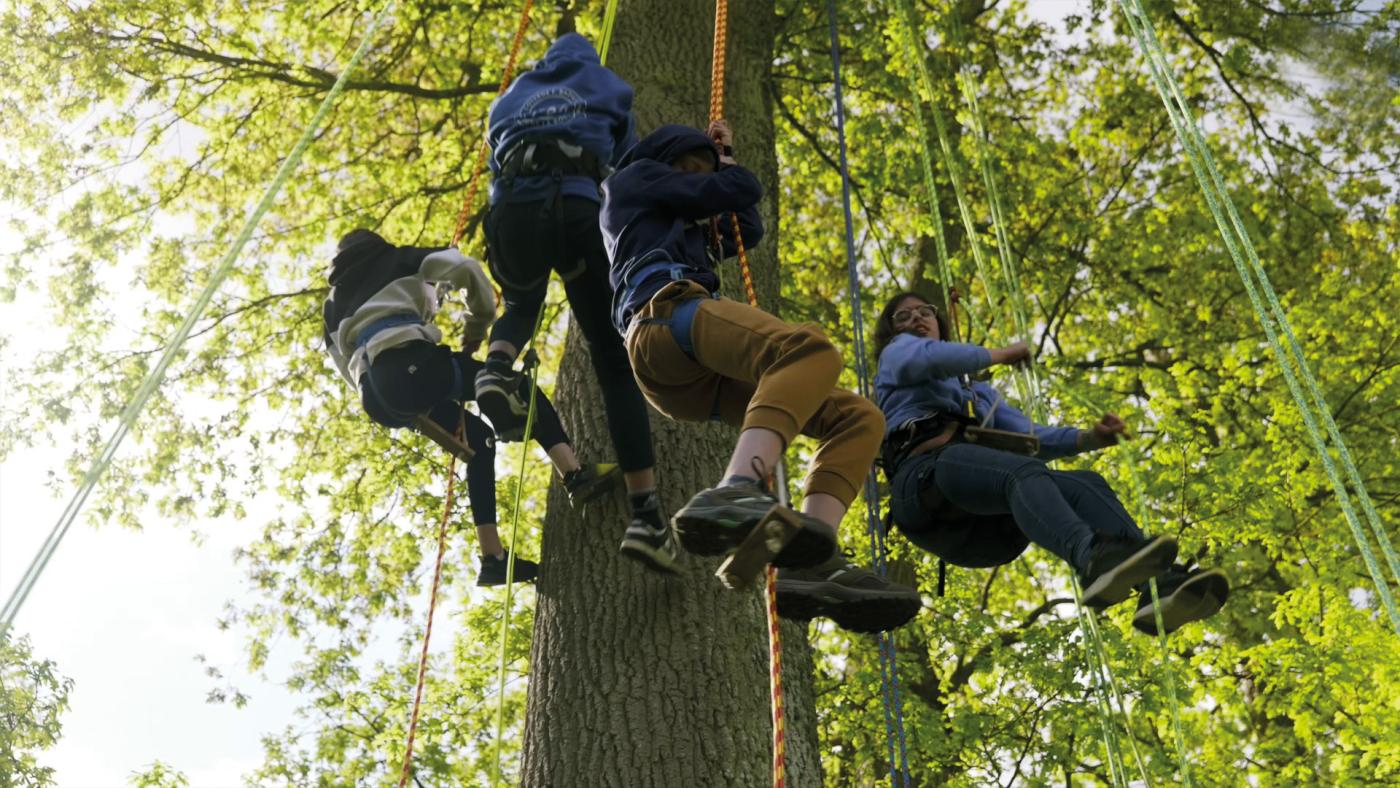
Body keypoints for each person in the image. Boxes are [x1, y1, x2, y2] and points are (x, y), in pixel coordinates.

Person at [601, 121, 921, 633]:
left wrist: (722, 161)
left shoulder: (676, 216)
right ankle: (738, 485)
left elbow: (746, 227)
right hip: (665, 317)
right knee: (809, 351)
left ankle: (812, 556)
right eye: (689, 169)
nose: (696, 181)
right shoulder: (633, 181)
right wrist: (724, 169)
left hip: (686, 373)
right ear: (665, 161)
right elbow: (739, 189)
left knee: (859, 417)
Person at [873, 291, 1229, 634]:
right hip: (923, 484)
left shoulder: (977, 395)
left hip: (982, 524)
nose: (916, 319)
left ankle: (1156, 588)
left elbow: (1030, 437)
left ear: (938, 322)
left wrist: (1090, 438)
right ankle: (1090, 556)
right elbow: (928, 358)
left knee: (1085, 484)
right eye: (903, 316)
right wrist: (1000, 354)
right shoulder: (896, 355)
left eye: (925, 311)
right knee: (1021, 472)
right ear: (892, 331)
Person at [474, 32, 676, 573]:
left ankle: (495, 369)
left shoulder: (510, 95)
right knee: (613, 361)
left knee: (521, 302)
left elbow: (494, 158)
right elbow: (628, 165)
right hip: (578, 209)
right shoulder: (609, 84)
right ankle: (646, 513)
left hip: (513, 210)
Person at [322, 229, 619, 586]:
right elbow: (464, 267)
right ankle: (574, 474)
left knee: (477, 441)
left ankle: (493, 558)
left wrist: (394, 396)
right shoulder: (399, 258)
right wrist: (478, 323)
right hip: (412, 364)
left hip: (378, 395)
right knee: (519, 388)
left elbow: (341, 363)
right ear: (376, 244)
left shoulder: (332, 304)